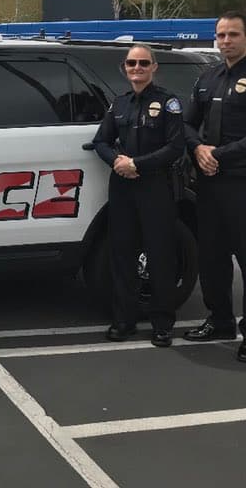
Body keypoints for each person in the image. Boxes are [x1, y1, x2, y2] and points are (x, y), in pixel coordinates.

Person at [183, 11, 246, 363]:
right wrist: (198, 148)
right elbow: (187, 124)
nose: (226, 40)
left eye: (234, 34)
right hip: (210, 183)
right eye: (221, 35)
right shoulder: (207, 78)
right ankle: (221, 320)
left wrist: (219, 154)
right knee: (211, 257)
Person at [91, 45, 184, 347]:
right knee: (122, 254)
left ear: (154, 67)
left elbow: (175, 147)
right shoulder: (119, 104)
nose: (138, 68)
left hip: (155, 185)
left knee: (160, 256)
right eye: (132, 63)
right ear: (125, 67)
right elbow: (101, 141)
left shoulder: (168, 103)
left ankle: (162, 323)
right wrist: (117, 162)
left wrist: (137, 164)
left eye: (144, 63)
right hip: (122, 187)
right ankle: (124, 320)